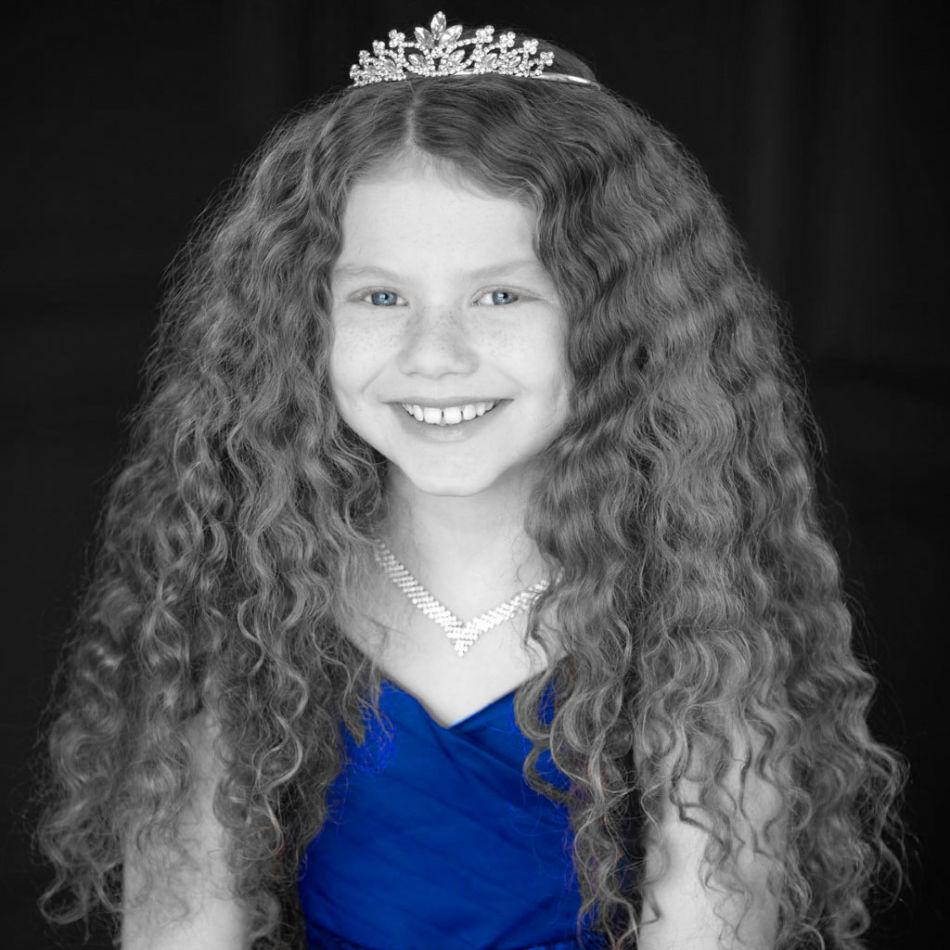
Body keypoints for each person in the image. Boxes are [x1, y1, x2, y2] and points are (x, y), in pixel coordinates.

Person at [32, 10, 905, 950]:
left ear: (620, 322)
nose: (435, 354)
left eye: (500, 294)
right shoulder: (240, 606)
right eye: (380, 296)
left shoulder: (700, 627)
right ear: (298, 326)